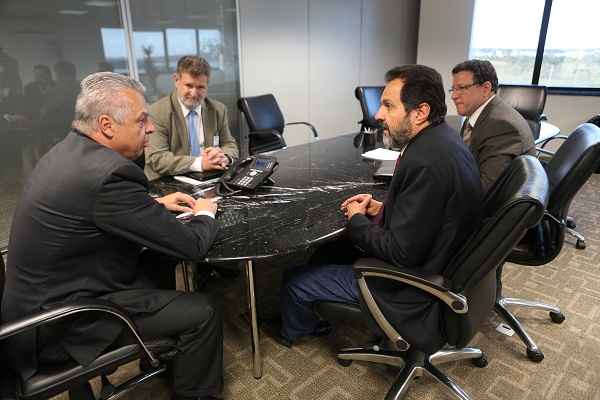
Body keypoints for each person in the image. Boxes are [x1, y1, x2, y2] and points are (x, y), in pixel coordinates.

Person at [2, 72, 223, 400]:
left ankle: (170, 349)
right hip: (60, 324)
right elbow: (192, 246)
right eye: (141, 120)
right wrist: (205, 211)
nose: (149, 128)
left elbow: (87, 205)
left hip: (33, 304)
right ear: (106, 125)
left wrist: (155, 203)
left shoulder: (69, 152)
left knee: (160, 254)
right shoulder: (111, 174)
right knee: (203, 311)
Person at [277, 65, 483, 352]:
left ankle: (297, 331)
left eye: (388, 105)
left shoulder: (425, 162)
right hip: (442, 261)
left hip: (411, 285)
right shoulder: (443, 141)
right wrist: (382, 208)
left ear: (420, 112)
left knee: (294, 280)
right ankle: (321, 302)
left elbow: (399, 252)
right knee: (326, 253)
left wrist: (357, 219)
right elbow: (429, 211)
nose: (377, 115)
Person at [144, 55, 239, 181]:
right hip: (168, 180)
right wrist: (200, 163)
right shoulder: (157, 112)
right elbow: (157, 158)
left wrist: (224, 157)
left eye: (200, 87)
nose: (194, 93)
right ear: (176, 80)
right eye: (189, 85)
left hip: (207, 178)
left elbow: (229, 144)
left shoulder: (218, 109)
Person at [450, 59, 535, 192]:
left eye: (461, 88)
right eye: (453, 89)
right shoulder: (477, 112)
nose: (454, 96)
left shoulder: (501, 126)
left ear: (485, 89)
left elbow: (485, 189)